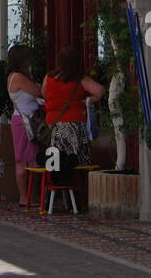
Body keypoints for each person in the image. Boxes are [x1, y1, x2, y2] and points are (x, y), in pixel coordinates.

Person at [42, 46, 106, 187]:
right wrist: (86, 101)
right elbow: (100, 90)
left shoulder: (49, 77)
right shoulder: (80, 80)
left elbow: (44, 94)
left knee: (56, 161)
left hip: (53, 124)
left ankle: (53, 191)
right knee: (76, 161)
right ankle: (76, 193)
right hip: (75, 124)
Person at [6, 43, 44, 206]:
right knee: (24, 159)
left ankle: (30, 195)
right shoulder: (19, 77)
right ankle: (25, 196)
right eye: (28, 58)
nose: (30, 61)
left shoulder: (13, 76)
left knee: (31, 158)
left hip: (24, 120)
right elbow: (39, 92)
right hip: (25, 122)